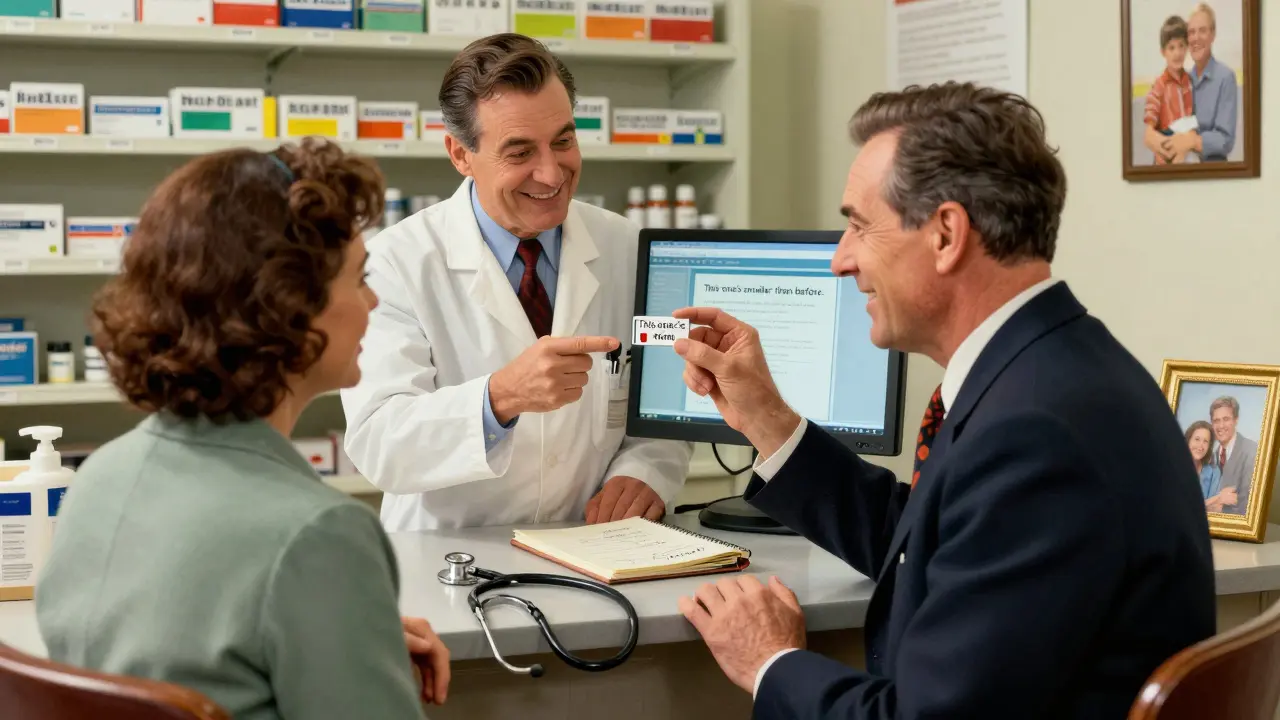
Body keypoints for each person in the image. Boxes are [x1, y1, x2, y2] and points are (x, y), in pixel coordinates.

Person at [670, 82, 1216, 719]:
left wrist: (771, 663)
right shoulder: (1056, 370)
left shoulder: (1039, 436)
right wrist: (768, 421)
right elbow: (928, 546)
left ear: (947, 234)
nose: (839, 261)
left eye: (858, 226)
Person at [37, 140, 449, 720]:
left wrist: (345, 630)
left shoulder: (97, 480)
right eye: (359, 278)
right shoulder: (320, 536)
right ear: (288, 306)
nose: (374, 300)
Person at [342, 33, 691, 531]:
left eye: (564, 141)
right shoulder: (395, 263)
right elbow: (380, 442)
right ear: (461, 155)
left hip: (592, 548)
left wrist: (646, 472)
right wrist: (499, 397)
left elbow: (661, 409)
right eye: (520, 151)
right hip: (451, 562)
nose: (551, 173)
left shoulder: (625, 245)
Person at [1154, 2, 1237, 163]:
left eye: (1202, 31)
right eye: (1191, 32)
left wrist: (1192, 141)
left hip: (1213, 176)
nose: (1195, 38)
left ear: (1213, 35)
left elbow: (1225, 140)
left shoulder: (1225, 77)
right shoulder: (1183, 81)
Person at [1142, 15, 1196, 165]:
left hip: (1187, 150)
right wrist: (1166, 146)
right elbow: (1149, 131)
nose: (1177, 53)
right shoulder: (1159, 86)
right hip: (1165, 152)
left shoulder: (1191, 83)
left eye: (1181, 46)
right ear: (1163, 52)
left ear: (1187, 48)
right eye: (1171, 48)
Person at [1211, 395, 1258, 515]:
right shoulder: (1210, 458)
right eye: (1216, 420)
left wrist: (1217, 508)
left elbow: (1248, 507)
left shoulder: (1252, 451)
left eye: (1226, 419)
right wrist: (1218, 499)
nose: (1221, 426)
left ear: (1236, 420)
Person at [1186, 419, 1233, 511]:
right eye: (1197, 439)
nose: (1201, 445)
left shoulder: (1214, 472)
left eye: (1205, 441)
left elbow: (1216, 509)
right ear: (1188, 440)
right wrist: (1219, 497)